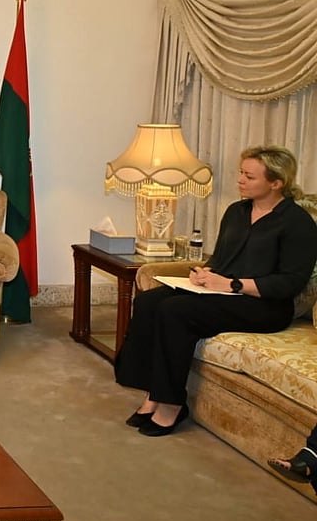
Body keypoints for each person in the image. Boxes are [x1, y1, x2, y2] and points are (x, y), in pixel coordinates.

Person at [115, 145, 317, 437]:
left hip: (265, 306)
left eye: (249, 176)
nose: (240, 180)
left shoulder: (298, 224)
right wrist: (207, 272)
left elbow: (289, 282)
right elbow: (221, 258)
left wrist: (232, 285)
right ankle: (153, 394)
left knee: (176, 311)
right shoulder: (237, 211)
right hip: (223, 293)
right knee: (149, 302)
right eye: (241, 173)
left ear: (276, 183)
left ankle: (172, 404)